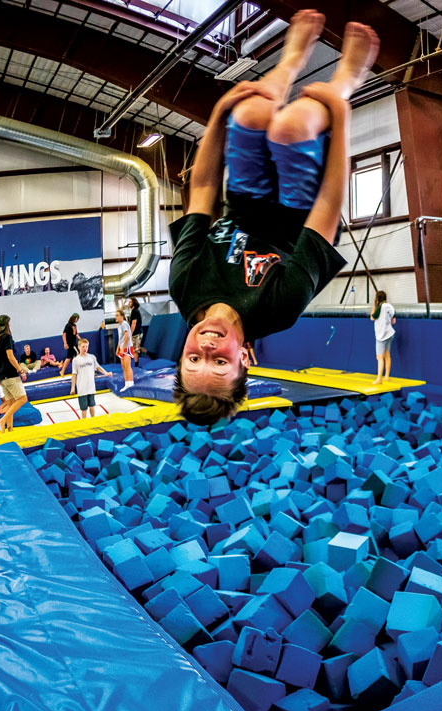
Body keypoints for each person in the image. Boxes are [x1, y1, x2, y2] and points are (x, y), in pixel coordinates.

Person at [168, 11, 373, 425]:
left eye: (193, 359)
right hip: (300, 205)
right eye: (219, 365)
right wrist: (341, 109)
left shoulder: (185, 284)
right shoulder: (279, 308)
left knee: (250, 114)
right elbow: (329, 208)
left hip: (245, 196)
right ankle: (348, 77)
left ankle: (288, 63)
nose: (207, 350)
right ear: (244, 359)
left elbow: (204, 190)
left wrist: (220, 112)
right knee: (292, 128)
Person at [70, 337, 110, 419]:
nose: (85, 348)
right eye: (83, 347)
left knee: (92, 406)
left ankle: (93, 420)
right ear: (79, 347)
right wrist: (73, 388)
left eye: (87, 346)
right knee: (84, 408)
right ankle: (85, 423)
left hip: (91, 386)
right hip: (82, 387)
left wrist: (106, 373)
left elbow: (98, 367)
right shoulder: (76, 360)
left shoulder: (92, 357)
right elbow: (74, 374)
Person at [371, 289, 396, 384]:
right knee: (387, 355)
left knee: (379, 357)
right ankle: (386, 376)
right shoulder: (390, 307)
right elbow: (393, 319)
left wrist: (374, 305)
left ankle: (379, 379)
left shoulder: (379, 307)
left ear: (377, 299)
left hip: (381, 336)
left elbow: (372, 317)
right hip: (389, 333)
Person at [113, 299, 137, 391]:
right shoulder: (119, 326)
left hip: (127, 347)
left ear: (122, 316)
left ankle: (131, 383)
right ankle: (127, 383)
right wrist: (118, 348)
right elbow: (121, 338)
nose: (116, 317)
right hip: (122, 347)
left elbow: (127, 336)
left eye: (117, 315)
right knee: (123, 367)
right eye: (115, 315)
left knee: (127, 366)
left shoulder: (124, 324)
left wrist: (123, 348)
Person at [59, 312, 80, 377]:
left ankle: (63, 371)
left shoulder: (74, 326)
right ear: (73, 318)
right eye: (76, 318)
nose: (76, 320)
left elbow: (76, 334)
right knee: (78, 354)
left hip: (74, 343)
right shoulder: (68, 325)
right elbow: (64, 334)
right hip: (71, 344)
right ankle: (78, 370)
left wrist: (81, 339)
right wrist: (65, 343)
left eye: (77, 319)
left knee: (69, 358)